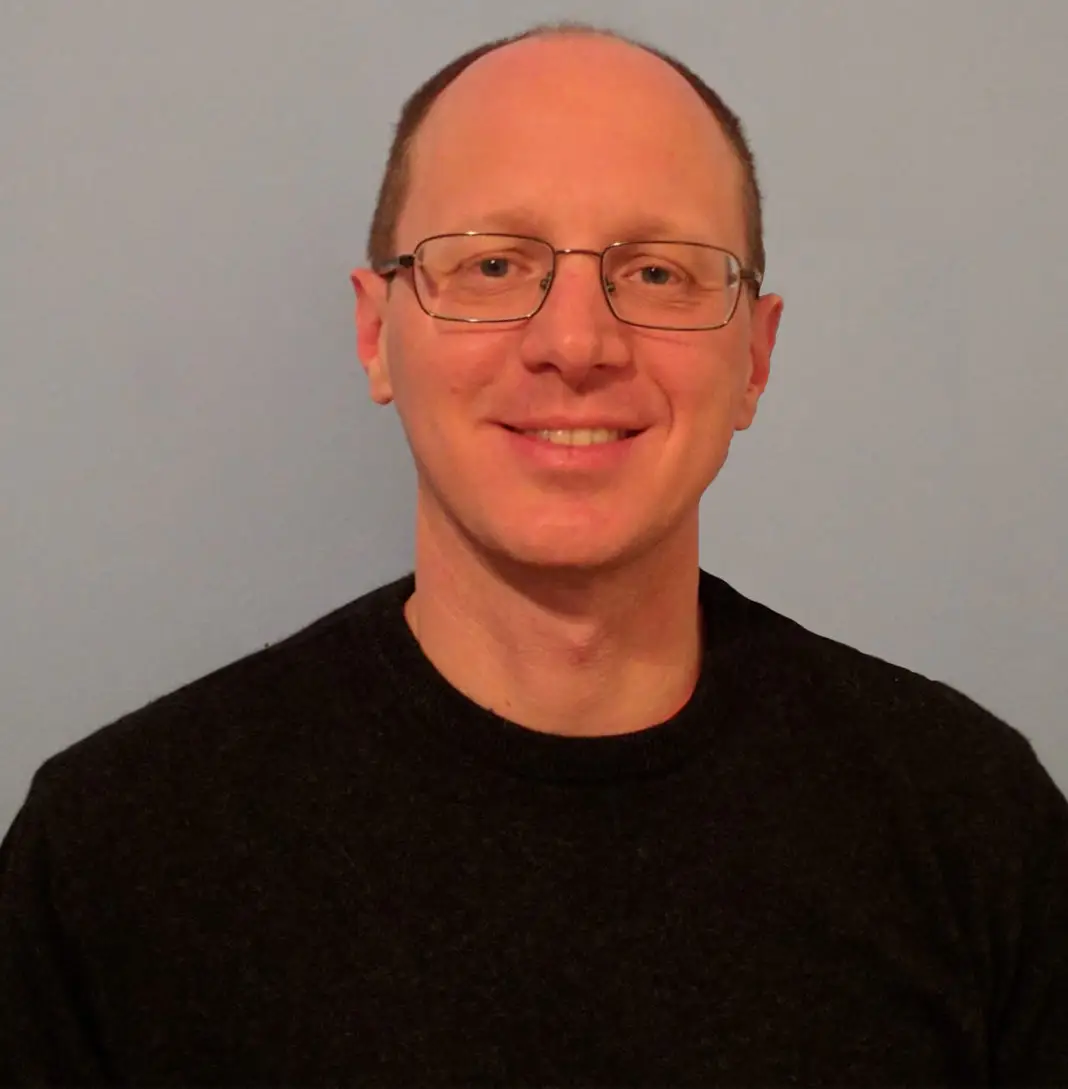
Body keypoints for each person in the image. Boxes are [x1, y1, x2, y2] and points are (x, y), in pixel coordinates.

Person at [2, 20, 1066, 1087]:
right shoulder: (113, 857)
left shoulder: (973, 829)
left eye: (659, 273)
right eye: (495, 263)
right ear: (376, 334)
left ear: (755, 356)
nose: (576, 344)